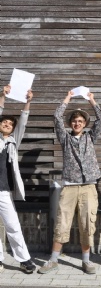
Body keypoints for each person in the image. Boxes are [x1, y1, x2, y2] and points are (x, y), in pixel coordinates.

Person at [38, 90, 101, 274]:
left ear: (84, 124)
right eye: (74, 121)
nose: (77, 123)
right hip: (69, 187)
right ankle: (53, 260)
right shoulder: (65, 138)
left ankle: (86, 261)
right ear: (71, 123)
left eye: (81, 121)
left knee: (86, 223)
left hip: (88, 186)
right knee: (62, 222)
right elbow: (56, 116)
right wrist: (67, 98)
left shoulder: (90, 137)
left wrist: (92, 100)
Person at [0, 84, 36, 273]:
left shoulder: (14, 141)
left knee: (13, 225)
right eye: (4, 122)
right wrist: (3, 96)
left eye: (10, 124)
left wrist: (28, 102)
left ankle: (24, 259)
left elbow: (23, 122)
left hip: (4, 190)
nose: (7, 124)